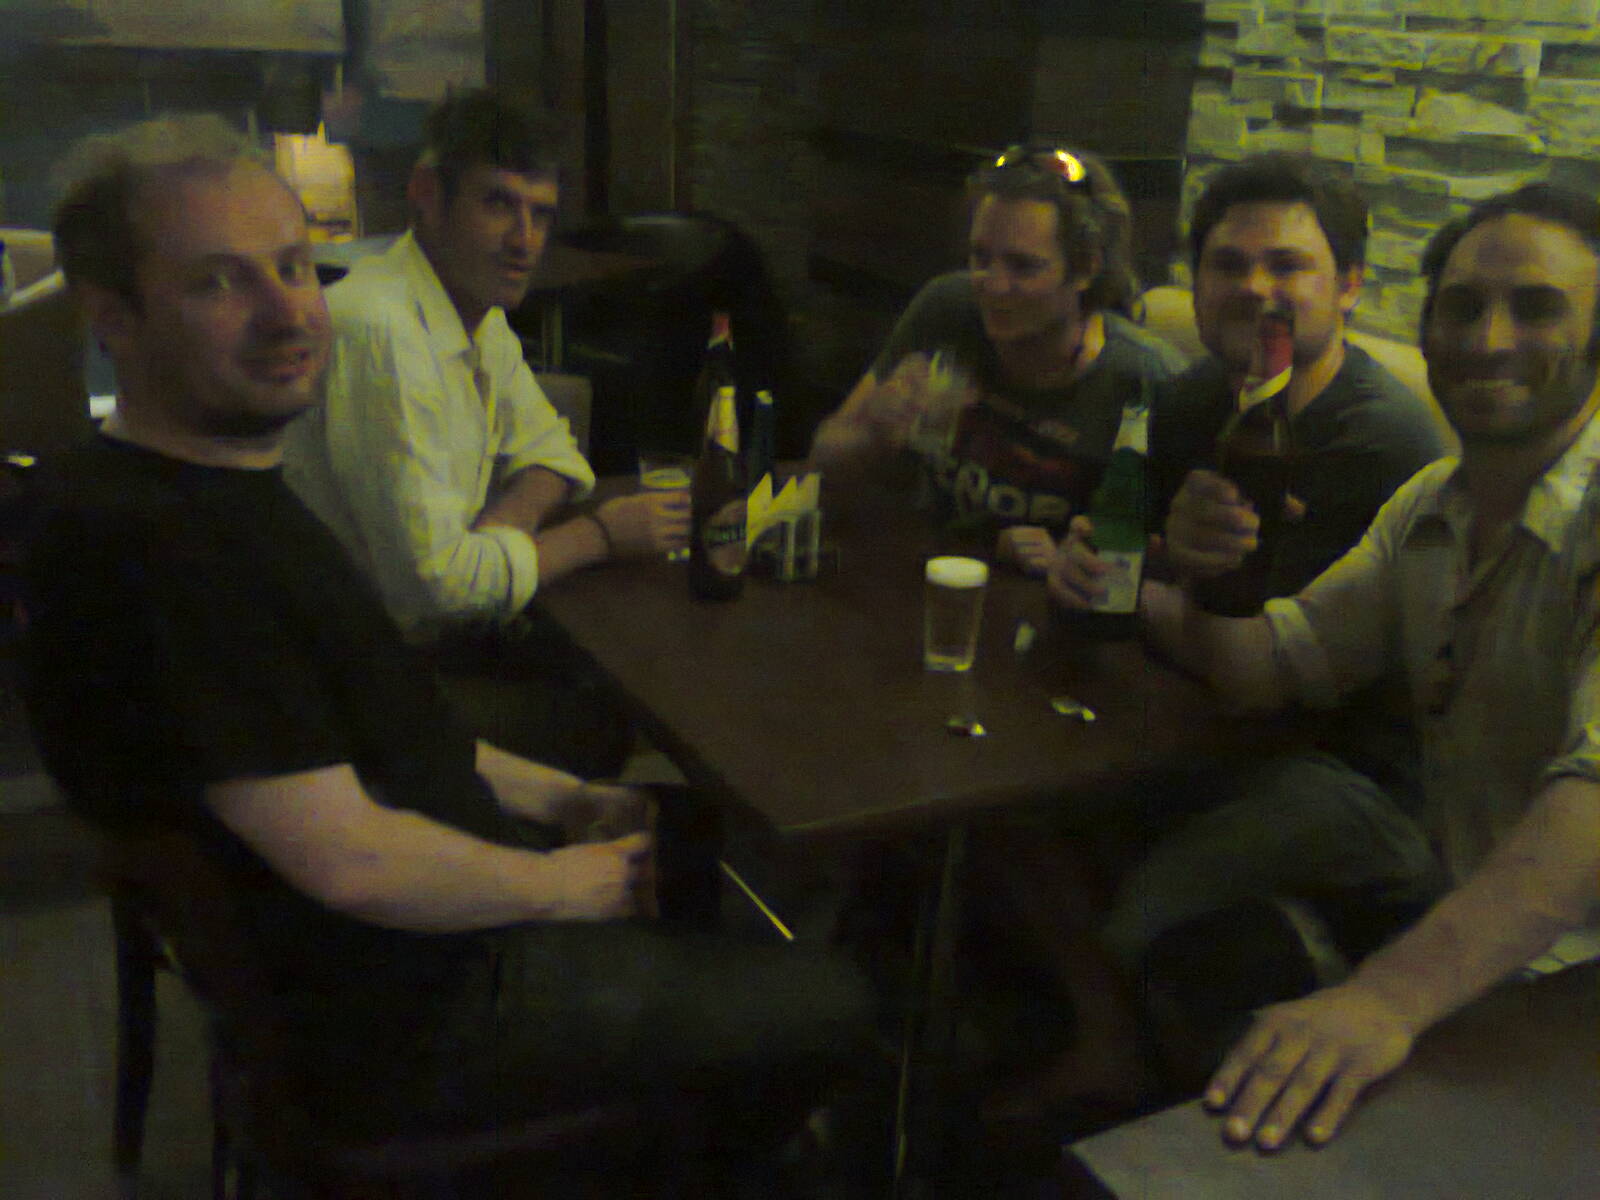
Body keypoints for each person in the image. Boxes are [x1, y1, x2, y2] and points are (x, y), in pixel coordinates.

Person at [23, 114, 876, 1175]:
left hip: (412, 933)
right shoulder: (169, 554)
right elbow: (351, 861)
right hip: (413, 1011)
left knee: (689, 836)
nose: (290, 311)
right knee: (841, 1001)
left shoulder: (208, 485)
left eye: (293, 266)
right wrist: (565, 887)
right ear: (112, 314)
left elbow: (390, 723)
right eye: (219, 282)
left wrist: (565, 801)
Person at [978, 156, 1452, 1131]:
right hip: (1197, 723)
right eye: (1228, 265)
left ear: (1348, 286)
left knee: (1139, 912)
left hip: (1350, 775)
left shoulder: (1380, 442)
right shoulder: (1193, 399)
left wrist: (1132, 585)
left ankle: (1146, 1089)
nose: (1253, 288)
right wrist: (1087, 565)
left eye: (1288, 265)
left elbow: (1266, 666)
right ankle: (1089, 1042)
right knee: (986, 796)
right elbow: (1128, 559)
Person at [1143, 182, 1600, 1150]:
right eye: (1462, 307)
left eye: (1536, 308)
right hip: (1462, 940)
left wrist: (1381, 1002)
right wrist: (1214, 578)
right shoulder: (1429, 506)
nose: (1488, 339)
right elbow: (1266, 670)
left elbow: (1592, 807)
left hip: (1568, 987)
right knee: (1179, 973)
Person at [281, 89, 684, 776]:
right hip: (353, 684)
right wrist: (600, 536)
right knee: (599, 721)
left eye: (540, 214)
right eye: (498, 204)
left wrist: (500, 530)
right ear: (426, 195)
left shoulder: (476, 313)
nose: (524, 241)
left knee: (635, 671)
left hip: (430, 639)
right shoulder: (381, 331)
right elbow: (436, 589)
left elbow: (554, 451)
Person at [808, 144, 1185, 573]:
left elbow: (1173, 565)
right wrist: (872, 432)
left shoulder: (1144, 380)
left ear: (1084, 270)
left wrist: (1074, 561)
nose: (993, 285)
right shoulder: (948, 309)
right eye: (981, 258)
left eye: (1023, 267)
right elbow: (823, 461)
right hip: (926, 578)